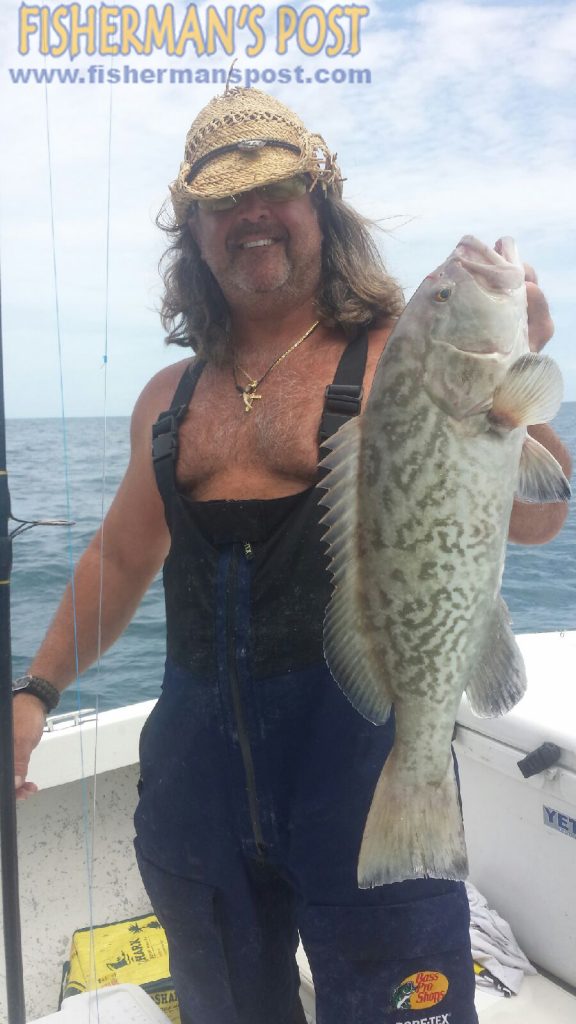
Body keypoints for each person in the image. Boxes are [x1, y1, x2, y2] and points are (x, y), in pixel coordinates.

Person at [13, 87, 571, 1024]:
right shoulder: (167, 396)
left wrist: (517, 392)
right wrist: (35, 693)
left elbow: (538, 524)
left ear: (322, 204)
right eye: (221, 200)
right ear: (192, 232)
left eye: (275, 188)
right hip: (195, 796)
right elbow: (114, 564)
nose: (251, 214)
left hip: (365, 782)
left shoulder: (408, 355)